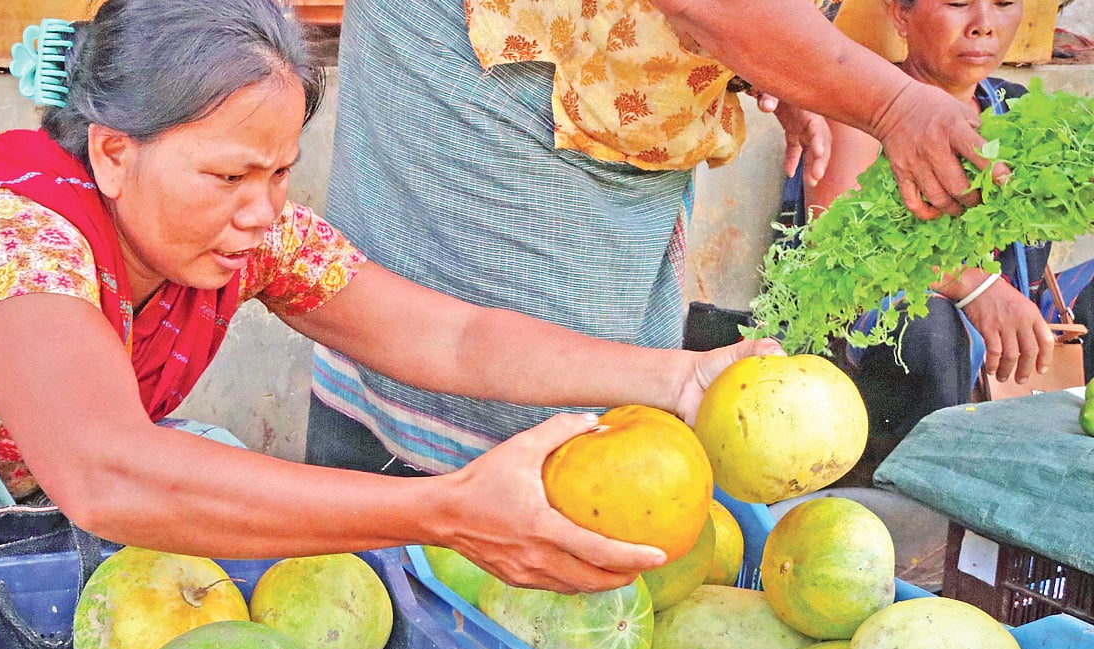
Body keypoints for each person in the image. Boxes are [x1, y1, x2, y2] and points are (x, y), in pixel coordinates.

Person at [0, 0, 784, 598]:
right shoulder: (13, 235)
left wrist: (676, 378)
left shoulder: (252, 234)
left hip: (34, 494)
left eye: (280, 172)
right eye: (229, 175)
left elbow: (455, 339)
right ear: (116, 152)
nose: (263, 209)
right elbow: (107, 473)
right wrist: (445, 509)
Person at [306, 0, 1005, 478]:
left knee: (603, 413)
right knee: (505, 410)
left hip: (623, 92)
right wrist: (886, 103)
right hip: (499, 67)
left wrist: (777, 59)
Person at [792, 0, 1094, 448]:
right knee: (928, 327)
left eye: (1005, 4)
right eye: (957, 3)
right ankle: (922, 499)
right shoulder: (863, 109)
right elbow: (836, 249)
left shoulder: (1021, 110)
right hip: (890, 338)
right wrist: (972, 286)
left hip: (1011, 332)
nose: (984, 26)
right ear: (900, 14)